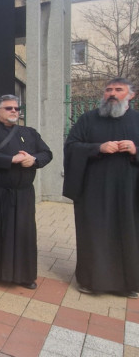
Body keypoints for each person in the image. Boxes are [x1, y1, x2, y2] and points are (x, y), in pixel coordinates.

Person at [63, 77, 139, 298]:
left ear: (131, 95)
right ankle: (90, 281)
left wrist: (135, 149)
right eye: (108, 89)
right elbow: (72, 146)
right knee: (93, 234)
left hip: (130, 192)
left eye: (118, 89)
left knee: (129, 234)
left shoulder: (137, 119)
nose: (112, 93)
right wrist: (98, 147)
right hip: (93, 191)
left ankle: (129, 284)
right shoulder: (88, 119)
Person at [0, 94, 52, 289]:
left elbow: (47, 153)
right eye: (9, 108)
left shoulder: (30, 132)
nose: (14, 112)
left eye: (16, 108)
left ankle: (24, 276)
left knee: (23, 233)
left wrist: (33, 160)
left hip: (23, 194)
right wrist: (11, 160)